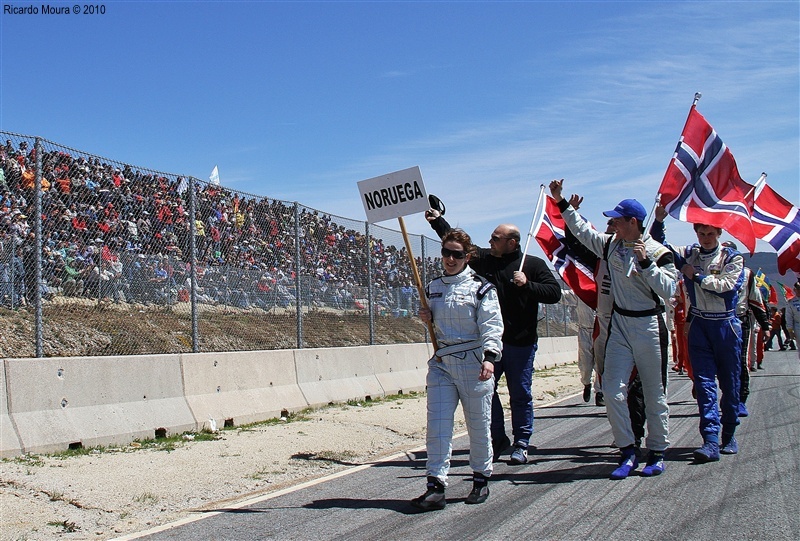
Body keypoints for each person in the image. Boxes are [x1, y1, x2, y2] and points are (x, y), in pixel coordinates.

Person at [550, 180, 676, 479]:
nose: (612, 224)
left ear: (633, 222)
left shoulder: (658, 252)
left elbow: (669, 288)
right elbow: (583, 231)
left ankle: (657, 452)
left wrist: (646, 264)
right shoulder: (610, 245)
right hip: (620, 325)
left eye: (617, 220)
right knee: (612, 390)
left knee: (655, 393)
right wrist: (561, 202)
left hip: (649, 325)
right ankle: (628, 449)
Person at [425, 206, 561, 465]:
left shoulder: (532, 265)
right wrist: (437, 220)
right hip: (488, 344)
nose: (490, 241)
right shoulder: (486, 259)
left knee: (520, 392)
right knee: (488, 391)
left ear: (511, 243)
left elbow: (553, 293)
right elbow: (461, 246)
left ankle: (522, 442)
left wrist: (527, 284)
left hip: (520, 342)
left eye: (495, 238)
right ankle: (497, 439)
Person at [410, 229, 503, 511]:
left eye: (457, 254)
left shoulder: (482, 287)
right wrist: (425, 316)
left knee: (478, 425)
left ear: (468, 256)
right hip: (441, 364)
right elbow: (433, 322)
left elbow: (492, 325)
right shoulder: (432, 286)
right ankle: (435, 486)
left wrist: (490, 357)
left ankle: (480, 478)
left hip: (475, 363)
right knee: (437, 426)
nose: (450, 259)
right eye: (446, 253)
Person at [653, 207, 744, 463]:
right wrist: (659, 219)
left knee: (729, 384)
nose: (705, 238)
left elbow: (727, 288)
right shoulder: (689, 253)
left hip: (726, 326)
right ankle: (710, 441)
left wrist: (698, 277)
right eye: (702, 233)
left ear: (718, 232)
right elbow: (659, 247)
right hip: (699, 325)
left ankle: (729, 434)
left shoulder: (732, 257)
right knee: (704, 385)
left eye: (710, 234)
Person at [720, 241, 770, 418]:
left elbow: (756, 301)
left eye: (729, 251)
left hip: (740, 321)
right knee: (721, 364)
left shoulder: (747, 275)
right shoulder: (713, 270)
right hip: (717, 322)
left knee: (740, 362)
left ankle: (740, 400)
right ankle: (727, 396)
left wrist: (765, 326)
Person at [785, 281, 800, 361]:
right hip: (798, 325)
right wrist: (790, 331)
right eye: (798, 289)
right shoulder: (791, 302)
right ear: (795, 289)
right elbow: (789, 317)